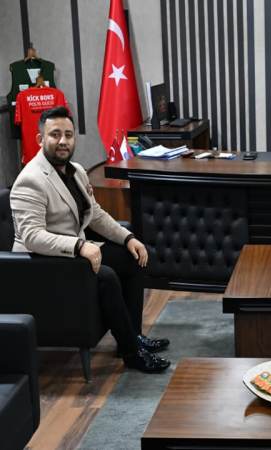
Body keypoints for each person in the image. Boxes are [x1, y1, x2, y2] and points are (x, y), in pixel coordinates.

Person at [10, 106, 171, 374]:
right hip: (40, 265)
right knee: (106, 276)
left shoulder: (75, 171)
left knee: (131, 258)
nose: (63, 141)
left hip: (72, 254)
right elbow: (33, 236)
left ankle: (133, 337)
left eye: (68, 134)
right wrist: (79, 246)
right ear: (40, 139)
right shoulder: (30, 180)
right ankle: (132, 354)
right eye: (55, 134)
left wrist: (128, 237)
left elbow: (94, 214)